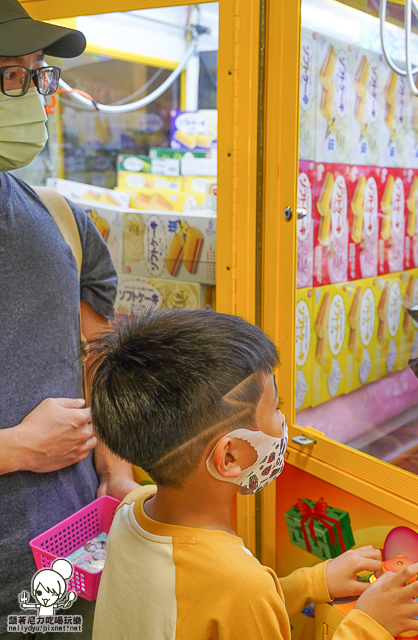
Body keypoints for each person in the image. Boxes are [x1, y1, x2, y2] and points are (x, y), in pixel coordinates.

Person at [88, 309, 418, 639]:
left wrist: (313, 582)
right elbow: (236, 599)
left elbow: (216, 612)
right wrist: (368, 624)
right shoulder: (239, 585)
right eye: (275, 408)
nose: (282, 423)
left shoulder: (131, 511)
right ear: (229, 456)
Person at [0, 0, 139, 635]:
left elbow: (94, 352)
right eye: (10, 74)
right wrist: (14, 450)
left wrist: (114, 471)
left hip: (59, 563)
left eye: (38, 76)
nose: (32, 97)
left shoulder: (61, 220)